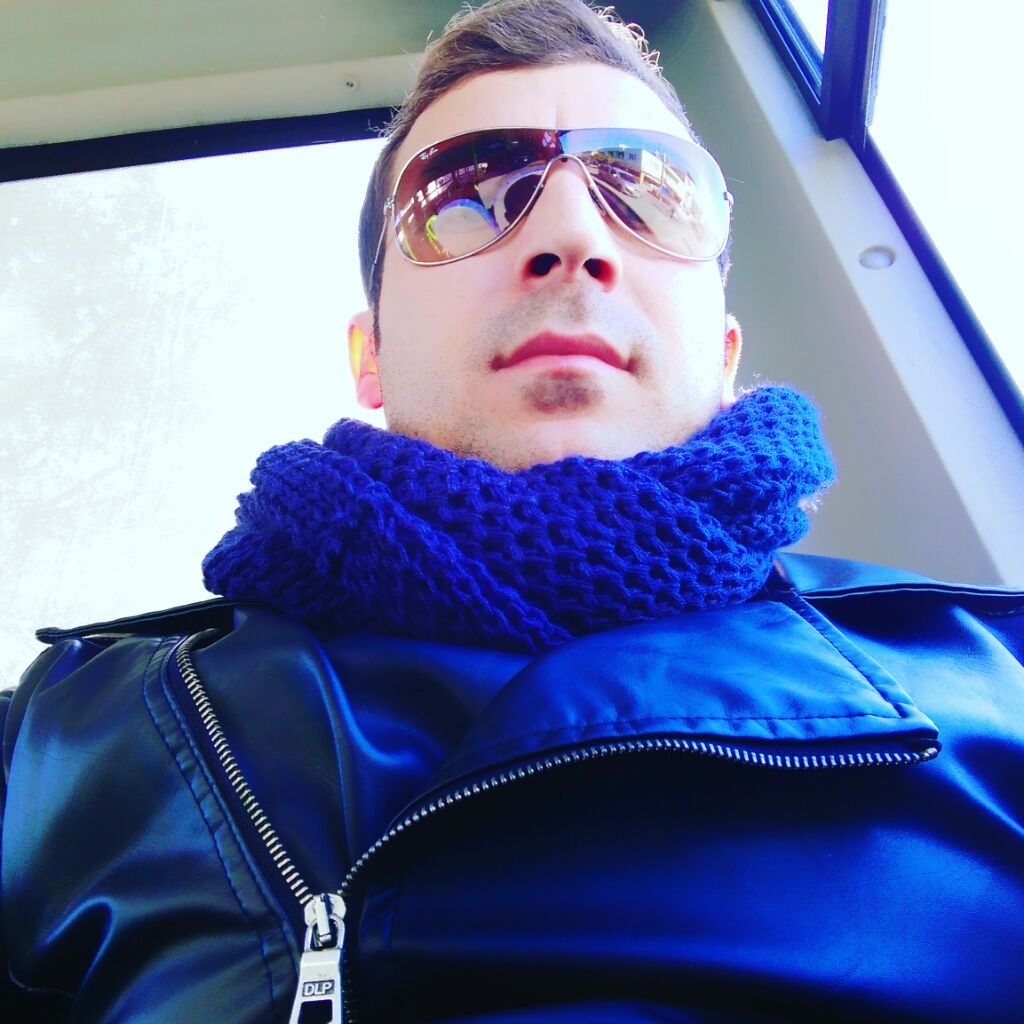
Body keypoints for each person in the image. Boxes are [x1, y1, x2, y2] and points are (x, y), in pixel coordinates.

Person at [3, 1, 1023, 1021]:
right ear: (369, 352)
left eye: (649, 191)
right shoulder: (62, 741)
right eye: (466, 195)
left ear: (724, 358)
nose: (572, 235)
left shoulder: (997, 681)